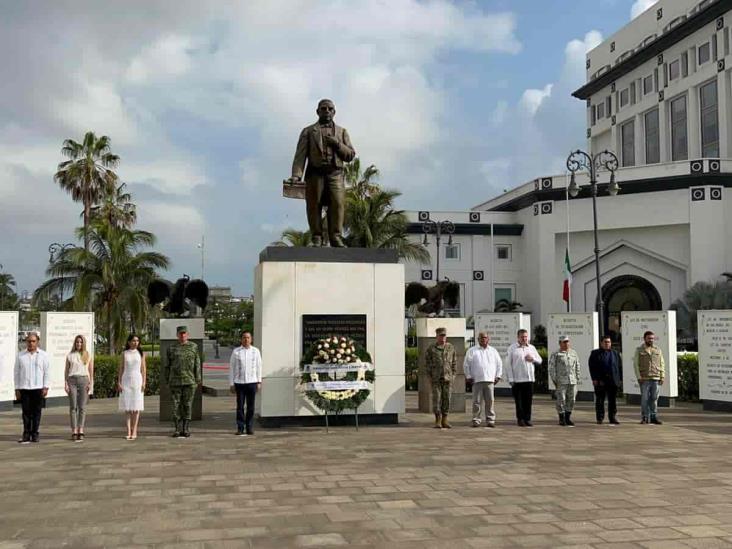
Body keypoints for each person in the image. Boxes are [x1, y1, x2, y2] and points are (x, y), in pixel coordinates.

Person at [288, 98, 356, 247]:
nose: (327, 111)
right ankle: (317, 237)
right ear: (317, 111)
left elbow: (350, 155)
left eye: (330, 108)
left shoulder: (342, 132)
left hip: (335, 174)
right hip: (315, 173)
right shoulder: (308, 131)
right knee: (314, 205)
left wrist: (337, 144)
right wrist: (296, 175)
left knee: (337, 204)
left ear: (334, 112)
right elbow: (300, 155)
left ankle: (336, 237)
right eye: (323, 108)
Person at [164, 325, 201, 438]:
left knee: (187, 405)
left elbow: (197, 363)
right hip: (175, 381)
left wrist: (197, 378)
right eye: (180, 333)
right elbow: (167, 365)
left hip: (190, 381)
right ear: (177, 335)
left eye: (184, 333)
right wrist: (167, 380)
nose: (182, 335)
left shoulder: (193, 347)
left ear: (187, 334)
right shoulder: (171, 348)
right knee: (176, 405)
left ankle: (186, 428)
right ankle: (176, 428)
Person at [14, 333, 50, 443]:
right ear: (26, 342)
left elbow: (46, 372)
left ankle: (35, 433)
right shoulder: (20, 356)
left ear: (37, 342)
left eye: (33, 341)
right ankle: (26, 433)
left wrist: (46, 386)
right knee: (26, 412)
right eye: (29, 341)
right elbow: (16, 373)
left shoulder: (43, 355)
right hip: (24, 388)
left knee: (36, 412)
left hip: (38, 387)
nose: (31, 343)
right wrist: (17, 388)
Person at [464, 331, 502, 427]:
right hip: (477, 380)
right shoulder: (472, 350)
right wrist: (468, 376)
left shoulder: (493, 351)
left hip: (490, 380)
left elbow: (499, 364)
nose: (483, 339)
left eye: (485, 337)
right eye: (481, 338)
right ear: (478, 339)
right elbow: (466, 364)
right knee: (476, 401)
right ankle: (476, 419)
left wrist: (498, 376)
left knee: (490, 401)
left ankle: (490, 420)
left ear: (488, 339)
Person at [506, 329, 542, 427]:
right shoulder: (512, 348)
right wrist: (511, 379)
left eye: (526, 337)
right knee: (519, 402)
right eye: (522, 337)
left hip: (529, 379)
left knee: (528, 401)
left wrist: (533, 359)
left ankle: (527, 419)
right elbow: (508, 365)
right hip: (517, 380)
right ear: (518, 337)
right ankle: (520, 419)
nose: (524, 339)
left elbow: (540, 360)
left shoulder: (531, 348)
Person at [229, 331, 262, 436]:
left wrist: (259, 381)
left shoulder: (255, 351)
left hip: (252, 382)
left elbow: (259, 367)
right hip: (239, 383)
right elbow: (232, 368)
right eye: (244, 337)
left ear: (251, 339)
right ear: (241, 339)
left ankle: (249, 427)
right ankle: (240, 427)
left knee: (251, 406)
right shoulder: (236, 352)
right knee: (240, 406)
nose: (246, 339)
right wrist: (231, 383)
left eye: (248, 338)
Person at [425, 327, 457, 429]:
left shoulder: (450, 347)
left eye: (444, 335)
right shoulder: (431, 348)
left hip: (448, 378)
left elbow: (454, 363)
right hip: (436, 378)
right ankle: (437, 420)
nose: (443, 338)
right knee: (437, 399)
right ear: (437, 336)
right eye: (441, 335)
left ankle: (445, 419)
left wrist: (453, 376)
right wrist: (430, 376)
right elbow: (427, 364)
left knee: (447, 399)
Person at [65, 334, 94, 442]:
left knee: (82, 406)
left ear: (83, 343)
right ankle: (74, 430)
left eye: (81, 342)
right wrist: (66, 383)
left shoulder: (86, 354)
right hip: (72, 380)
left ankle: (81, 429)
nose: (79, 344)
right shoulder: (70, 355)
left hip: (83, 380)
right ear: (74, 343)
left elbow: (90, 370)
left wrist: (91, 383)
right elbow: (66, 371)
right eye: (77, 342)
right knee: (73, 406)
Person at [118, 334, 146, 440]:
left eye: (137, 341)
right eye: (133, 341)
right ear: (129, 342)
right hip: (126, 380)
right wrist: (119, 382)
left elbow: (143, 369)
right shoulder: (124, 353)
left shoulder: (141, 353)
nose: (135, 342)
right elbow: (121, 368)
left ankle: (135, 430)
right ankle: (128, 430)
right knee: (128, 407)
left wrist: (144, 382)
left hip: (137, 380)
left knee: (136, 407)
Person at [634, 330, 665, 425]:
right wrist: (639, 377)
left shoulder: (658, 350)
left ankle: (653, 417)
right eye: (649, 338)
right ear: (644, 339)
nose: (651, 340)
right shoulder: (639, 350)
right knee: (645, 399)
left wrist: (662, 376)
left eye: (652, 338)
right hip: (644, 378)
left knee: (654, 398)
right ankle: (644, 417)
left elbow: (662, 363)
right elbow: (636, 364)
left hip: (656, 377)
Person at [548, 335, 581, 427]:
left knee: (572, 399)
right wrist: (555, 380)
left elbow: (577, 365)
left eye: (567, 341)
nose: (567, 343)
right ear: (560, 343)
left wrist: (577, 377)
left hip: (572, 380)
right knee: (561, 399)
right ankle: (561, 418)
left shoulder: (573, 353)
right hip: (561, 381)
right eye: (564, 342)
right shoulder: (556, 354)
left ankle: (568, 417)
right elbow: (551, 368)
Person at [589, 335, 622, 425]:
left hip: (612, 381)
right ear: (601, 343)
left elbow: (619, 367)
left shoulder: (615, 353)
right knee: (600, 400)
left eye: (609, 342)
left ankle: (612, 417)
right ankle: (600, 418)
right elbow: (592, 367)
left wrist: (619, 380)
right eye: (605, 342)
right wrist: (594, 378)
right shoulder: (595, 353)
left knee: (612, 401)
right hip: (600, 381)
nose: (607, 344)